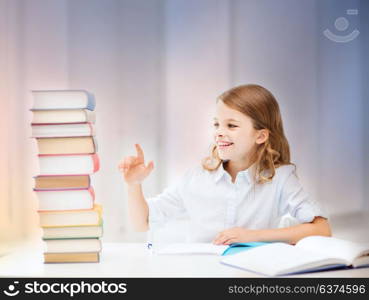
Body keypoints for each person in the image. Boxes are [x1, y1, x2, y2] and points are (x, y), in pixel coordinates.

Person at [118, 84, 331, 245]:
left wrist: (252, 236)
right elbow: (142, 223)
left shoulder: (281, 178)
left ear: (260, 136)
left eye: (231, 125)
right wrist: (133, 185)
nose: (219, 131)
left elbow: (322, 229)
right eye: (217, 124)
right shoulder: (196, 177)